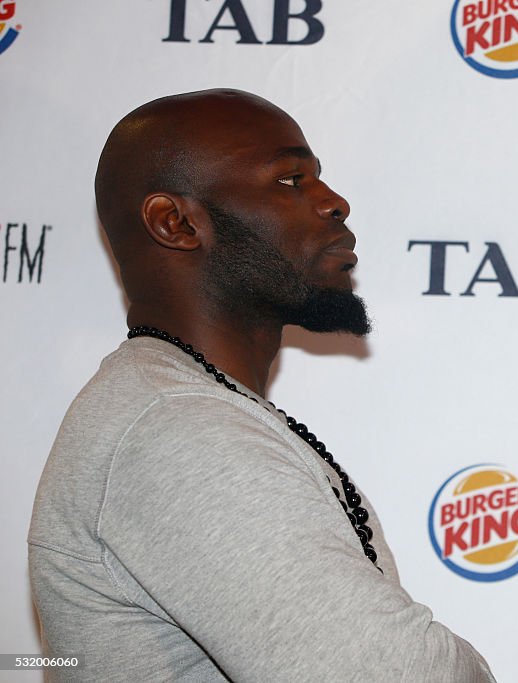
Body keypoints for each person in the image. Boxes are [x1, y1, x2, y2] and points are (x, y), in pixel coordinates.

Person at [28, 89, 494, 682]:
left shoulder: (186, 408)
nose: (335, 203)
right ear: (176, 223)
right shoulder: (180, 432)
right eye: (290, 180)